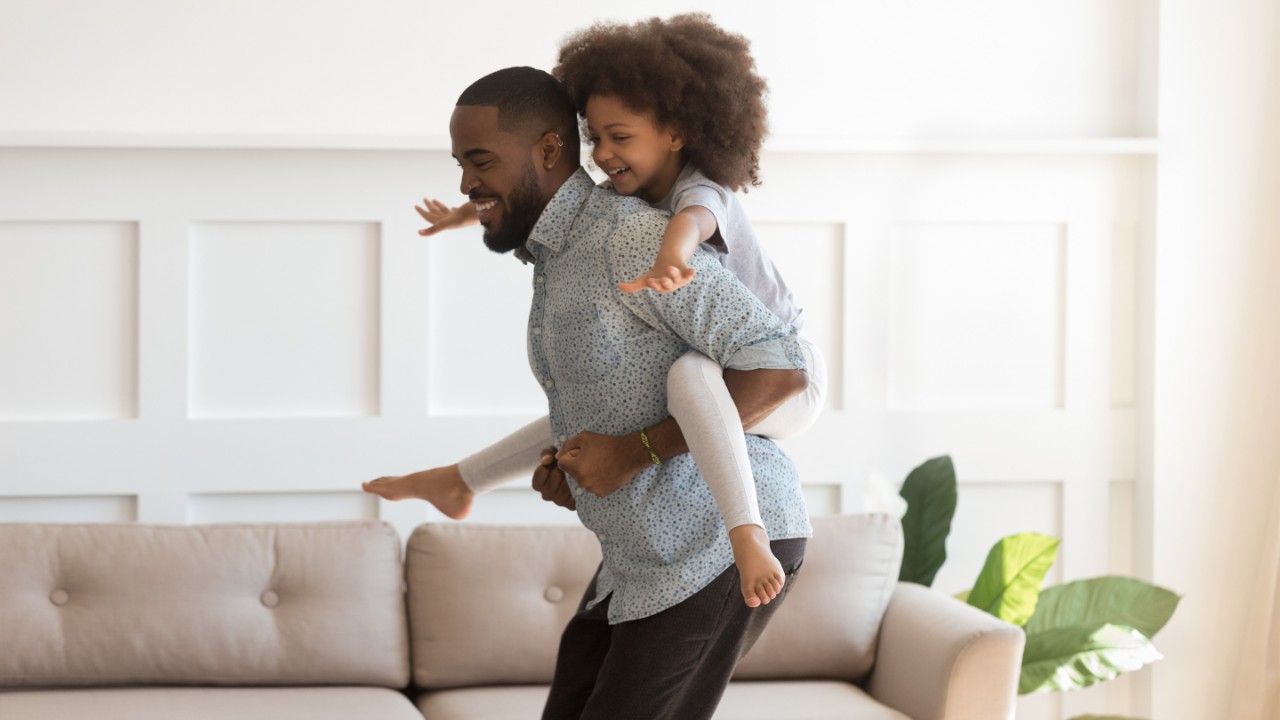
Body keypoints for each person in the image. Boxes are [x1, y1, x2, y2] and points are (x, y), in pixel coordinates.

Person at [364, 66, 811, 720]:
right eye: (460, 163)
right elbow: (611, 411)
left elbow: (779, 371)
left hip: (716, 544)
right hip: (639, 559)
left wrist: (632, 454)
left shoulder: (632, 239)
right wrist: (570, 467)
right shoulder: (559, 257)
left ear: (548, 150)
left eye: (480, 160)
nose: (465, 183)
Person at [407, 13, 828, 608]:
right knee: (629, 395)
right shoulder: (607, 211)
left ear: (678, 132)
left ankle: (748, 534)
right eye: (595, 135)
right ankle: (464, 478)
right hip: (651, 552)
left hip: (795, 377)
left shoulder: (686, 202)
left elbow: (779, 368)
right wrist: (464, 212)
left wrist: (672, 256)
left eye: (620, 137)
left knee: (685, 377)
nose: (601, 153)